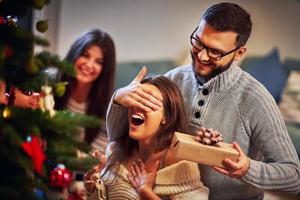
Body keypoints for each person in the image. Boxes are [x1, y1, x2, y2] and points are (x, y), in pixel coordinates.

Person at [106, 2, 300, 200]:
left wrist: (247, 169)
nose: (201, 55)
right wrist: (118, 99)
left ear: (239, 53)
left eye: (215, 52)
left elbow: (294, 176)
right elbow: (118, 138)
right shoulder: (173, 79)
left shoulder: (256, 99)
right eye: (198, 42)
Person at [85, 76, 209, 199]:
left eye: (147, 103)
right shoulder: (115, 151)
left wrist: (145, 191)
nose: (137, 107)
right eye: (136, 100)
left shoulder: (179, 163)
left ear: (166, 117)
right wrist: (94, 186)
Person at [55, 28, 116, 153]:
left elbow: (98, 159)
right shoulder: (49, 87)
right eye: (85, 55)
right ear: (74, 54)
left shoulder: (108, 109)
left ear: (105, 69)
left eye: (99, 62)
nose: (89, 65)